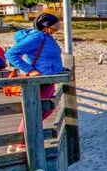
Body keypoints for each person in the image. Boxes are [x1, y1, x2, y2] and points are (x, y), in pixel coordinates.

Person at [6, 13, 68, 148]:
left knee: (44, 110)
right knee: (35, 112)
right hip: (39, 81)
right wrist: (30, 70)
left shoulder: (46, 37)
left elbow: (47, 58)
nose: (60, 23)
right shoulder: (37, 36)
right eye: (57, 21)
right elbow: (10, 54)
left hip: (48, 78)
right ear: (47, 24)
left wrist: (60, 68)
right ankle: (20, 144)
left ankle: (19, 142)